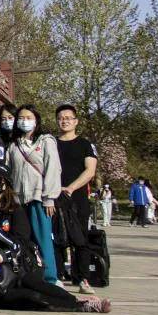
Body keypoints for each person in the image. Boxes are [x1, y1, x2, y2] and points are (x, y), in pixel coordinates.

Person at [0, 197, 110, 313]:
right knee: (32, 297)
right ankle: (81, 306)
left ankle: (78, 301)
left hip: (14, 273)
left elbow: (15, 246)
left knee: (38, 284)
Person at [6, 105, 61, 285]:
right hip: (18, 200)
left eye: (29, 117)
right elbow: (8, 171)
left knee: (43, 239)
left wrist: (49, 197)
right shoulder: (13, 145)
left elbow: (53, 169)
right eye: (21, 118)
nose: (25, 121)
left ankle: (50, 278)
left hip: (39, 198)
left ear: (36, 120)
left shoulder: (46, 141)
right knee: (23, 239)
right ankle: (28, 276)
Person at [53, 104, 97, 294]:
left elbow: (90, 170)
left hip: (78, 198)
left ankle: (82, 278)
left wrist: (71, 187)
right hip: (54, 197)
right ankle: (57, 277)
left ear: (76, 121)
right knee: (56, 238)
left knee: (80, 239)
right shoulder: (51, 143)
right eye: (61, 118)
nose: (64, 121)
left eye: (68, 118)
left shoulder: (85, 144)